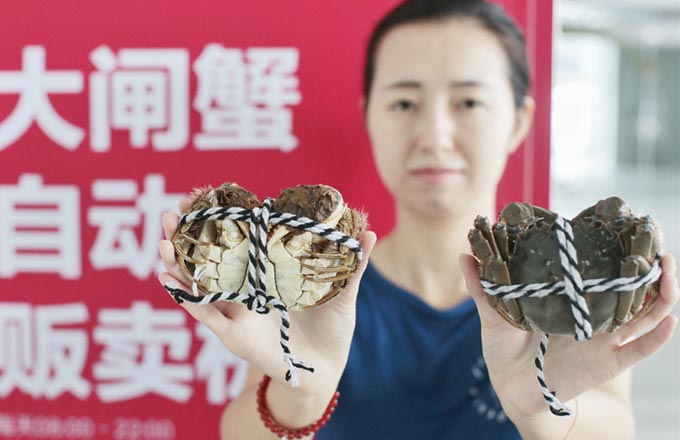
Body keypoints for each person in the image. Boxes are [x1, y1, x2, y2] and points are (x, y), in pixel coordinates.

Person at [158, 0, 680, 438]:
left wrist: (543, 405)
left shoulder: (568, 278)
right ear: (369, 115)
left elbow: (613, 422)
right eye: (404, 103)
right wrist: (303, 391)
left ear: (520, 120)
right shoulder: (310, 275)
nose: (434, 134)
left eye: (468, 102)